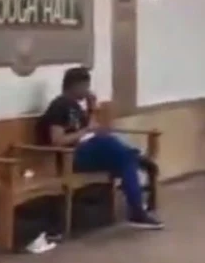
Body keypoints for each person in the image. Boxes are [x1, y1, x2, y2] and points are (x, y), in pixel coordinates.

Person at [36, 67, 163, 229]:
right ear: (75, 86)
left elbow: (90, 128)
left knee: (124, 160)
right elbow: (57, 141)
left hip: (88, 151)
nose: (87, 90)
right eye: (85, 86)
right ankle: (138, 159)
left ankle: (137, 211)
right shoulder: (59, 106)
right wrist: (86, 131)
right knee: (111, 144)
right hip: (72, 157)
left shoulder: (75, 107)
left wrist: (91, 108)